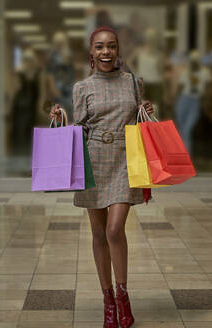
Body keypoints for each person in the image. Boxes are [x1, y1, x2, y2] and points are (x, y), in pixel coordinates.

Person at [49, 26, 154, 328]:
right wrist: (61, 118)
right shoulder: (82, 88)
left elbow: (137, 117)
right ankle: (108, 300)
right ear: (91, 53)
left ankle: (123, 295)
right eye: (99, 47)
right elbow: (80, 126)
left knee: (114, 230)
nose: (106, 51)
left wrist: (147, 109)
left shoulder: (134, 83)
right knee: (98, 235)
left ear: (118, 50)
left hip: (124, 159)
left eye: (111, 46)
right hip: (93, 160)